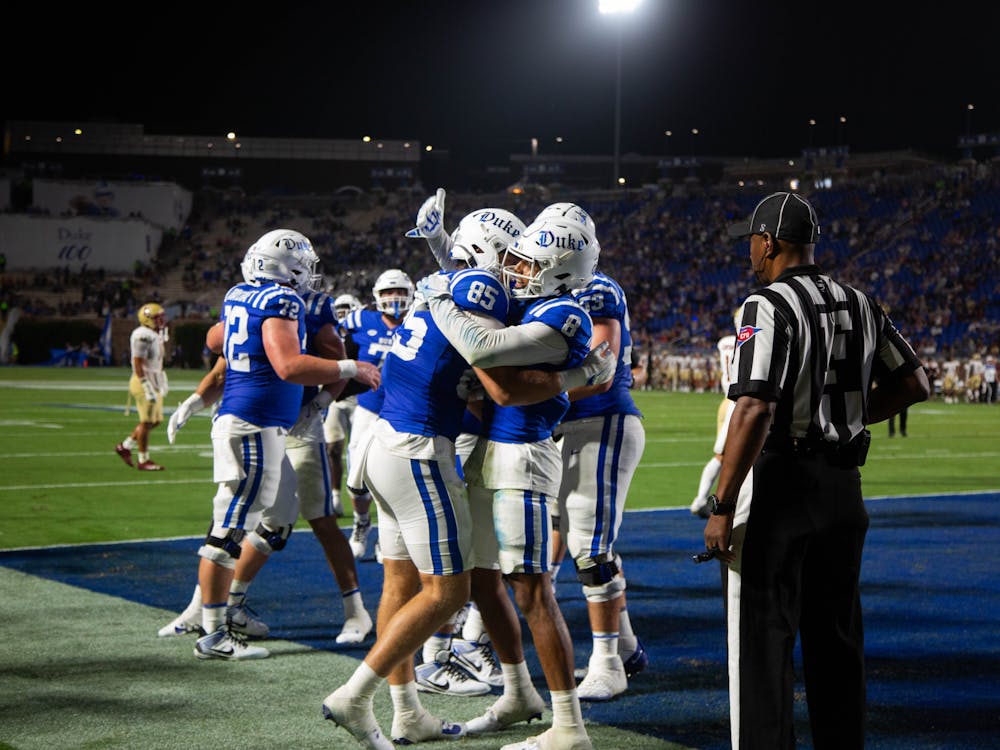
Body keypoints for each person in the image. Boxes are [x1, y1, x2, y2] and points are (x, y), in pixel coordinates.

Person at [705, 192, 930, 749]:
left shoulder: (767, 304)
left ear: (770, 243)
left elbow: (755, 405)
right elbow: (915, 383)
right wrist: (847, 415)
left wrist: (722, 504)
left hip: (786, 487)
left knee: (766, 642)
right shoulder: (862, 300)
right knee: (837, 643)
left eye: (754, 243)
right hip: (844, 489)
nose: (751, 253)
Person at [424, 213, 606, 750]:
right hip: (491, 452)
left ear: (562, 273)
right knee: (482, 581)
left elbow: (489, 362)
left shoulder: (566, 314)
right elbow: (481, 302)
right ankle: (518, 692)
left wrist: (439, 300)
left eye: (529, 262)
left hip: (523, 456)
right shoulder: (535, 298)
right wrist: (442, 248)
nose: (516, 269)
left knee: (531, 590)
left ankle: (570, 727)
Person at [182, 228, 380, 661]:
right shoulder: (282, 300)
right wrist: (352, 366)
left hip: (285, 420)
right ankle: (213, 619)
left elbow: (218, 339)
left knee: (284, 518)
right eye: (303, 267)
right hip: (262, 421)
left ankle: (226, 609)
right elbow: (283, 363)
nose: (310, 275)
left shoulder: (243, 295)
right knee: (236, 523)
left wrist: (325, 400)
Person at [534, 203, 649, 703]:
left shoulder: (596, 288)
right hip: (574, 425)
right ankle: (624, 649)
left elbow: (600, 368)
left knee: (591, 547)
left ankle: (607, 664)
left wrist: (533, 390)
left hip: (601, 421)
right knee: (584, 539)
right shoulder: (554, 288)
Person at [339, 269, 413, 560]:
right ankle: (361, 523)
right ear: (376, 297)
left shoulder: (420, 321)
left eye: (399, 292)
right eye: (387, 292)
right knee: (356, 481)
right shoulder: (362, 320)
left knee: (397, 480)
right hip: (369, 409)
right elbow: (333, 334)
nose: (394, 298)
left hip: (404, 413)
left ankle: (388, 537)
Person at [690, 311, 740, 517]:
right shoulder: (748, 340)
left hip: (725, 401)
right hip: (738, 403)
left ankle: (704, 499)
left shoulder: (724, 342)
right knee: (725, 456)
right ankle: (701, 499)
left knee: (724, 455)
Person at [323, 292, 363, 516]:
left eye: (347, 310)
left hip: (360, 401)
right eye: (340, 310)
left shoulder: (363, 335)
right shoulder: (329, 335)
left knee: (361, 453)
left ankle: (363, 499)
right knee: (333, 449)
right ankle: (336, 496)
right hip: (336, 399)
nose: (343, 315)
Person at [116, 302, 169, 471]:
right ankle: (143, 460)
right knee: (146, 422)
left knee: (156, 420)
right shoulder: (142, 335)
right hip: (143, 381)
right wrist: (146, 386)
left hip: (154, 381)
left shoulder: (154, 333)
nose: (161, 320)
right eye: (157, 318)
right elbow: (137, 362)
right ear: (147, 319)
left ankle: (125, 446)